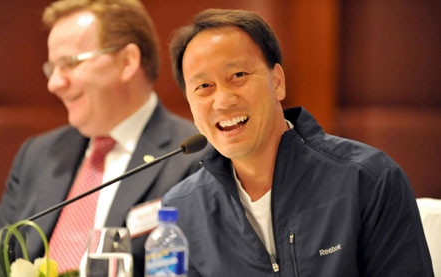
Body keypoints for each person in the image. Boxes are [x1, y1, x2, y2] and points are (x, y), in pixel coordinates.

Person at [162, 8, 434, 276]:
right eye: (204, 87)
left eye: (238, 76)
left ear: (277, 81)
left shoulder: (368, 179)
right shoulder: (183, 209)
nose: (222, 101)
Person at [0, 0, 208, 275]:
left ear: (127, 61)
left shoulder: (193, 154)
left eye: (69, 63)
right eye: (51, 68)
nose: (54, 83)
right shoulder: (37, 154)